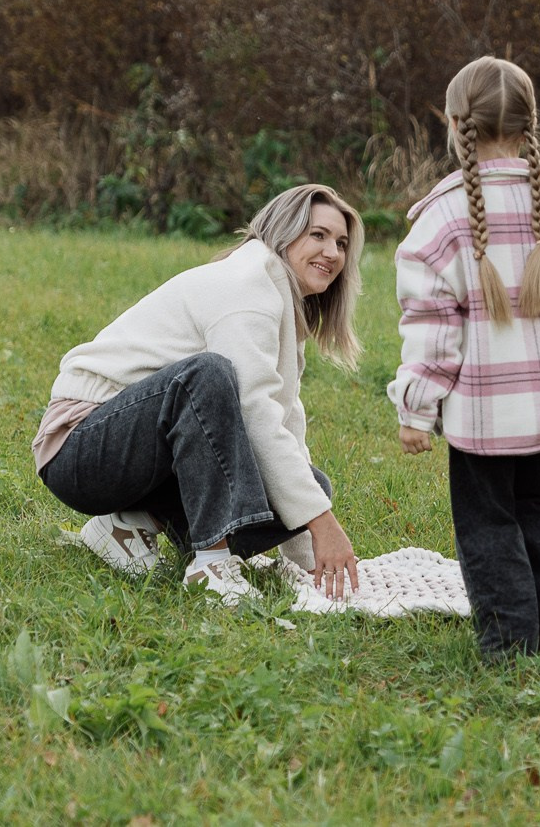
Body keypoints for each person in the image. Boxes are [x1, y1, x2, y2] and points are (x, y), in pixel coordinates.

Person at [34, 184, 365, 606]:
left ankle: (128, 524)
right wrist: (324, 525)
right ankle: (211, 565)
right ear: (284, 233)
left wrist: (310, 560)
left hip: (135, 457)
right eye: (318, 235)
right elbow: (256, 415)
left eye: (341, 243)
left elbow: (284, 425)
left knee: (313, 485)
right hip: (78, 447)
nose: (332, 253)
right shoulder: (248, 288)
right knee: (207, 375)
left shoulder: (280, 301)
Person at [387, 56, 540, 663]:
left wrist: (416, 408)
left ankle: (509, 642)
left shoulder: (438, 223)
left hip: (483, 416)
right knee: (537, 504)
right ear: (531, 125)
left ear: (453, 121)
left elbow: (433, 332)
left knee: (487, 523)